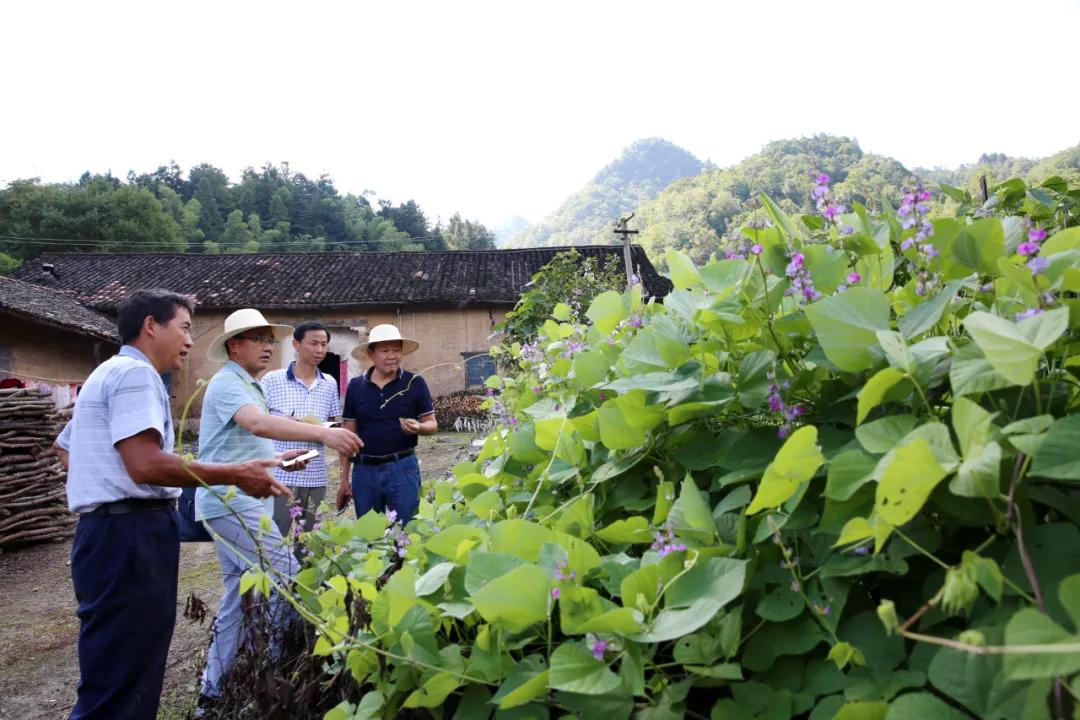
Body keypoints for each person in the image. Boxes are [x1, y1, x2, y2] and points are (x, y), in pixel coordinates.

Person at [55, 289, 292, 720]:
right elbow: (145, 464)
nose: (188, 341)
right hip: (130, 535)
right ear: (151, 326)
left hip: (106, 533)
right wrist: (235, 473)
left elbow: (67, 447)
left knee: (114, 670)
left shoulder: (105, 372)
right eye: (183, 328)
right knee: (127, 678)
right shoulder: (136, 375)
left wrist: (103, 485)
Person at [195, 308, 361, 701]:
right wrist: (322, 432)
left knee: (240, 595)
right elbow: (258, 424)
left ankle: (214, 689)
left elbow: (249, 442)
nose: (268, 347)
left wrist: (283, 459)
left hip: (236, 500)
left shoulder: (247, 383)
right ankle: (277, 667)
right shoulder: (232, 383)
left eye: (270, 340)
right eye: (258, 339)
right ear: (234, 346)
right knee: (286, 576)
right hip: (232, 502)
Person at [336, 324, 437, 522]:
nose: (392, 355)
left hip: (402, 468)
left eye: (396, 350)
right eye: (385, 350)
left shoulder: (414, 383)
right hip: (365, 471)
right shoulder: (356, 387)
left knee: (407, 533)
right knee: (370, 534)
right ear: (371, 353)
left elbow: (431, 423)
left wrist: (419, 428)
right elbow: (348, 438)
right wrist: (343, 480)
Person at [261, 321, 342, 538]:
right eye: (313, 343)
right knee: (275, 538)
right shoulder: (272, 380)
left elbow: (333, 424)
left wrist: (323, 427)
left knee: (308, 541)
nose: (319, 350)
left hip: (315, 474)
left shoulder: (329, 383)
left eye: (324, 344)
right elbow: (259, 423)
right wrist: (288, 422)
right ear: (296, 344)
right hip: (281, 473)